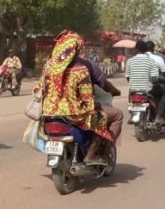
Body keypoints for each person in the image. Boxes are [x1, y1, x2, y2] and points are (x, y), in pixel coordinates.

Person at [38, 30, 114, 165]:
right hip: (72, 115)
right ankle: (90, 156)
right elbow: (87, 97)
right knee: (101, 119)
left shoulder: (48, 66)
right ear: (76, 50)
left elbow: (40, 89)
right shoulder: (80, 69)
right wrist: (91, 109)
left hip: (48, 114)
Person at [125, 40, 165, 125]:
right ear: (145, 50)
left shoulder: (130, 61)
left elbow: (128, 77)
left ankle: (133, 114)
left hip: (133, 90)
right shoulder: (151, 61)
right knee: (164, 92)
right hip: (148, 90)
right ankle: (158, 117)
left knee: (130, 94)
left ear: (136, 49)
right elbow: (154, 78)